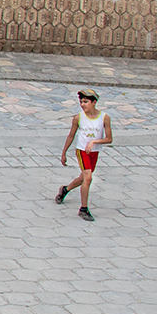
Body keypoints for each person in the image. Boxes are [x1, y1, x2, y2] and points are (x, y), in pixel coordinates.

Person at [57, 89, 114, 221]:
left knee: (83, 178)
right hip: (82, 151)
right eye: (81, 102)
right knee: (88, 179)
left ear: (94, 102)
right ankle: (84, 209)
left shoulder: (104, 118)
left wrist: (94, 141)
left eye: (86, 102)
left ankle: (65, 189)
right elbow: (71, 135)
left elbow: (109, 139)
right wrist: (64, 153)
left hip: (94, 152)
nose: (83, 105)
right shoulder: (78, 118)